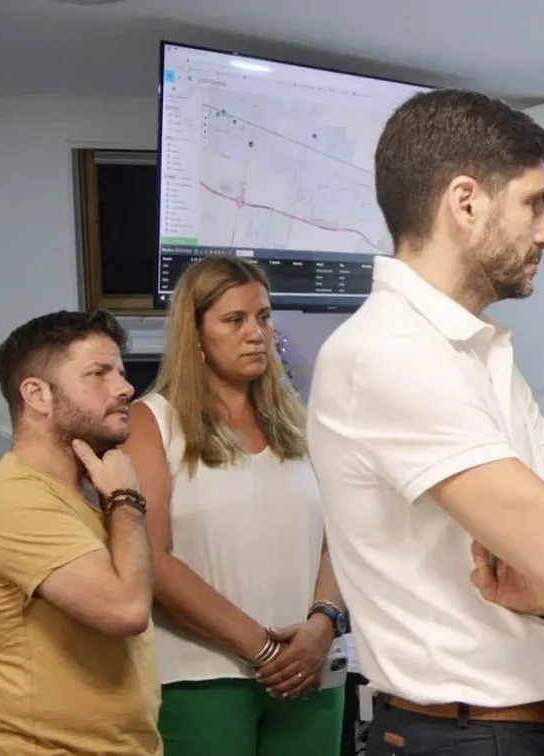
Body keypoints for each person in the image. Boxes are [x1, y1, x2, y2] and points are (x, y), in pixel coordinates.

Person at [305, 88, 544, 756]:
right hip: (464, 734)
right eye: (533, 204)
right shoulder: (388, 355)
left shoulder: (478, 352)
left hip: (523, 727)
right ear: (466, 201)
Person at [119, 256, 346, 755]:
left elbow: (339, 539)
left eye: (263, 317)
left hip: (310, 673)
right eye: (234, 320)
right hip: (203, 679)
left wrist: (321, 625)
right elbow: (151, 558)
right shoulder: (150, 422)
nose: (256, 333)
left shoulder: (297, 421)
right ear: (195, 334)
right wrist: (261, 648)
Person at [0, 309, 161, 755]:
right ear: (37, 395)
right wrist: (126, 497)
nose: (125, 388)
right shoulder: (12, 500)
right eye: (98, 373)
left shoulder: (78, 498)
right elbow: (126, 608)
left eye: (121, 373)